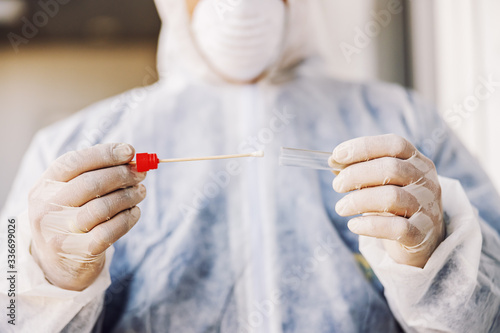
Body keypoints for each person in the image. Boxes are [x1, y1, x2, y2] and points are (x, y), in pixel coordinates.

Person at [1, 0, 500, 332]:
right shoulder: (70, 142)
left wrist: (432, 252)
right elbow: (6, 306)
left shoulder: (403, 119)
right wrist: (49, 274)